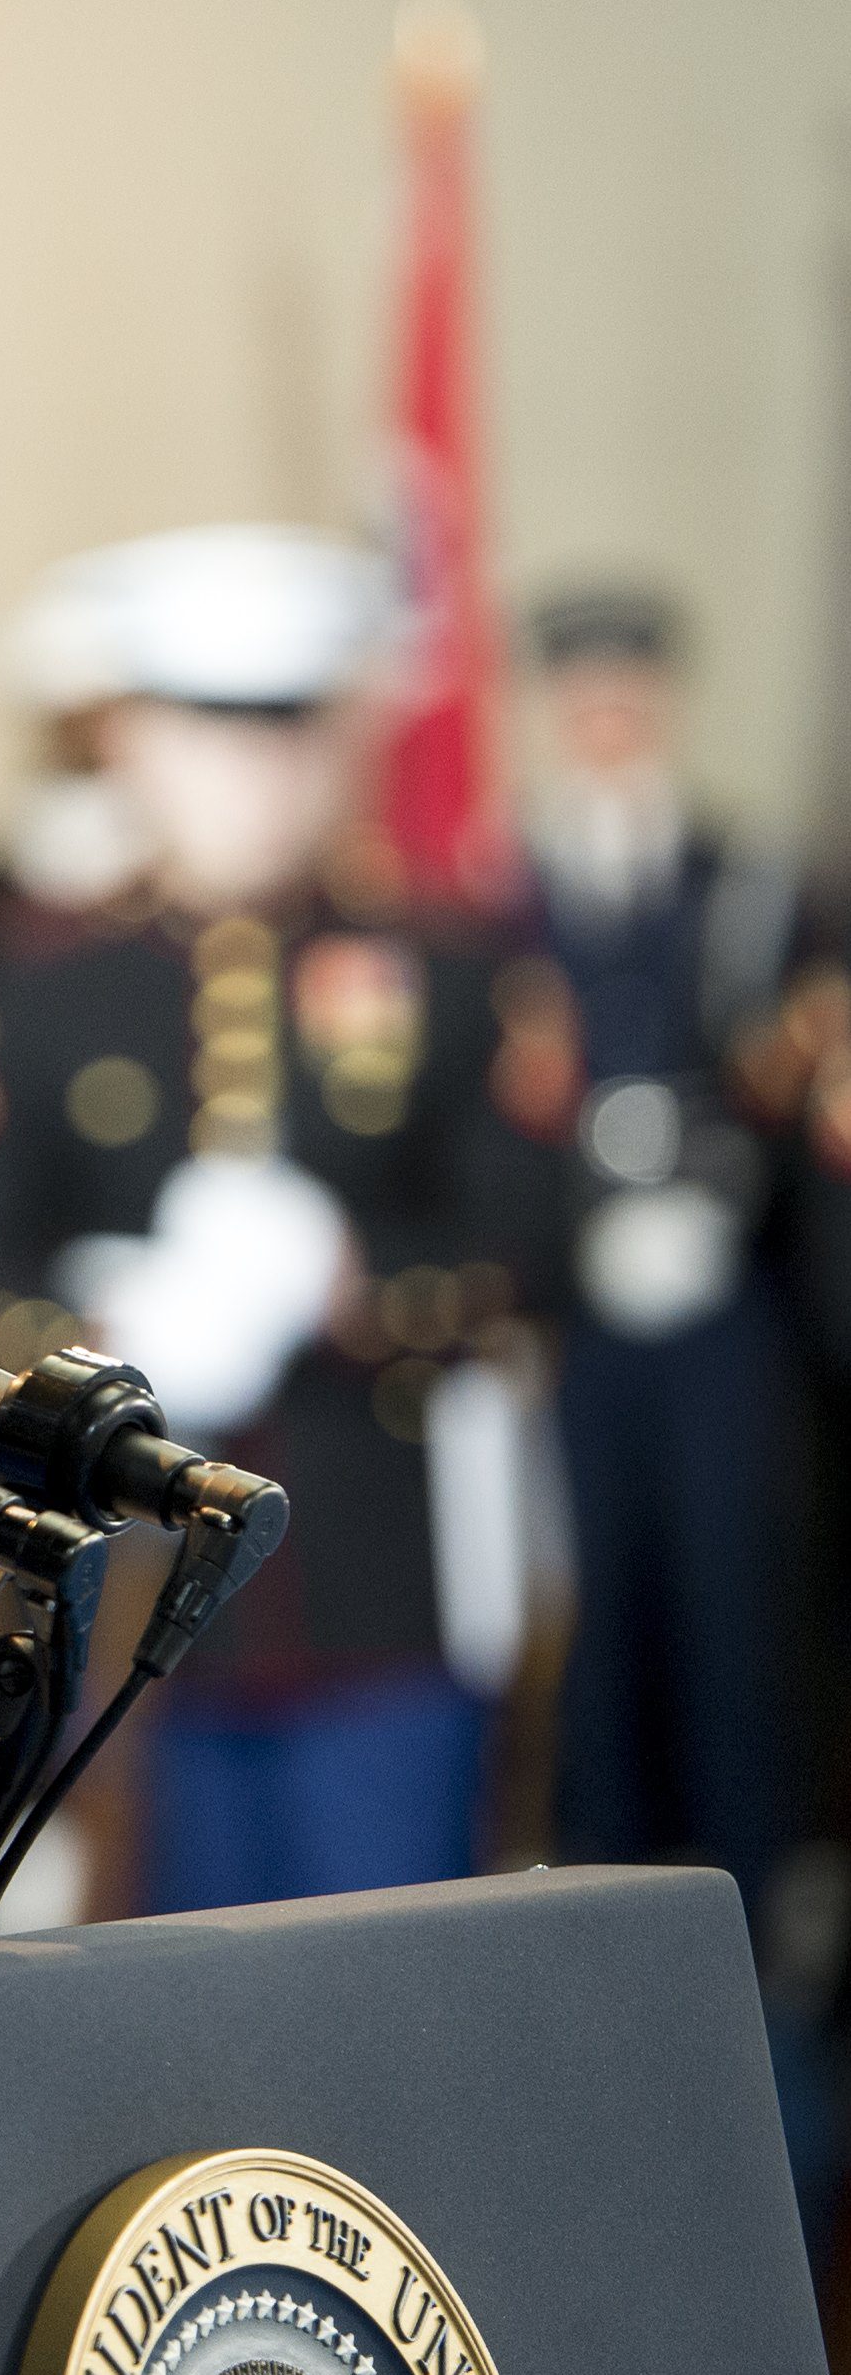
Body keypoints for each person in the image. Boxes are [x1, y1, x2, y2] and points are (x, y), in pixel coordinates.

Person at [0, 526, 555, 1916]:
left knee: (389, 1976)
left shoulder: (443, 968)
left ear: (335, 742)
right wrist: (102, 1337)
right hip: (130, 1609)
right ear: (128, 740)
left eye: (282, 729)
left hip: (374, 1586)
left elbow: (527, 1236)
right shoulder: (44, 988)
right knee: (170, 2009)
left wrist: (349, 1281)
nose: (248, 771)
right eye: (207, 728)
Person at [511, 584, 810, 1911]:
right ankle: (603, 1901)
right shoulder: (506, 890)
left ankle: (746, 1902)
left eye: (628, 695)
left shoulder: (745, 879)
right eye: (584, 698)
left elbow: (783, 1066)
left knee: (727, 1603)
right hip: (574, 1309)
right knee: (595, 1614)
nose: (608, 721)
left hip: (720, 1299)